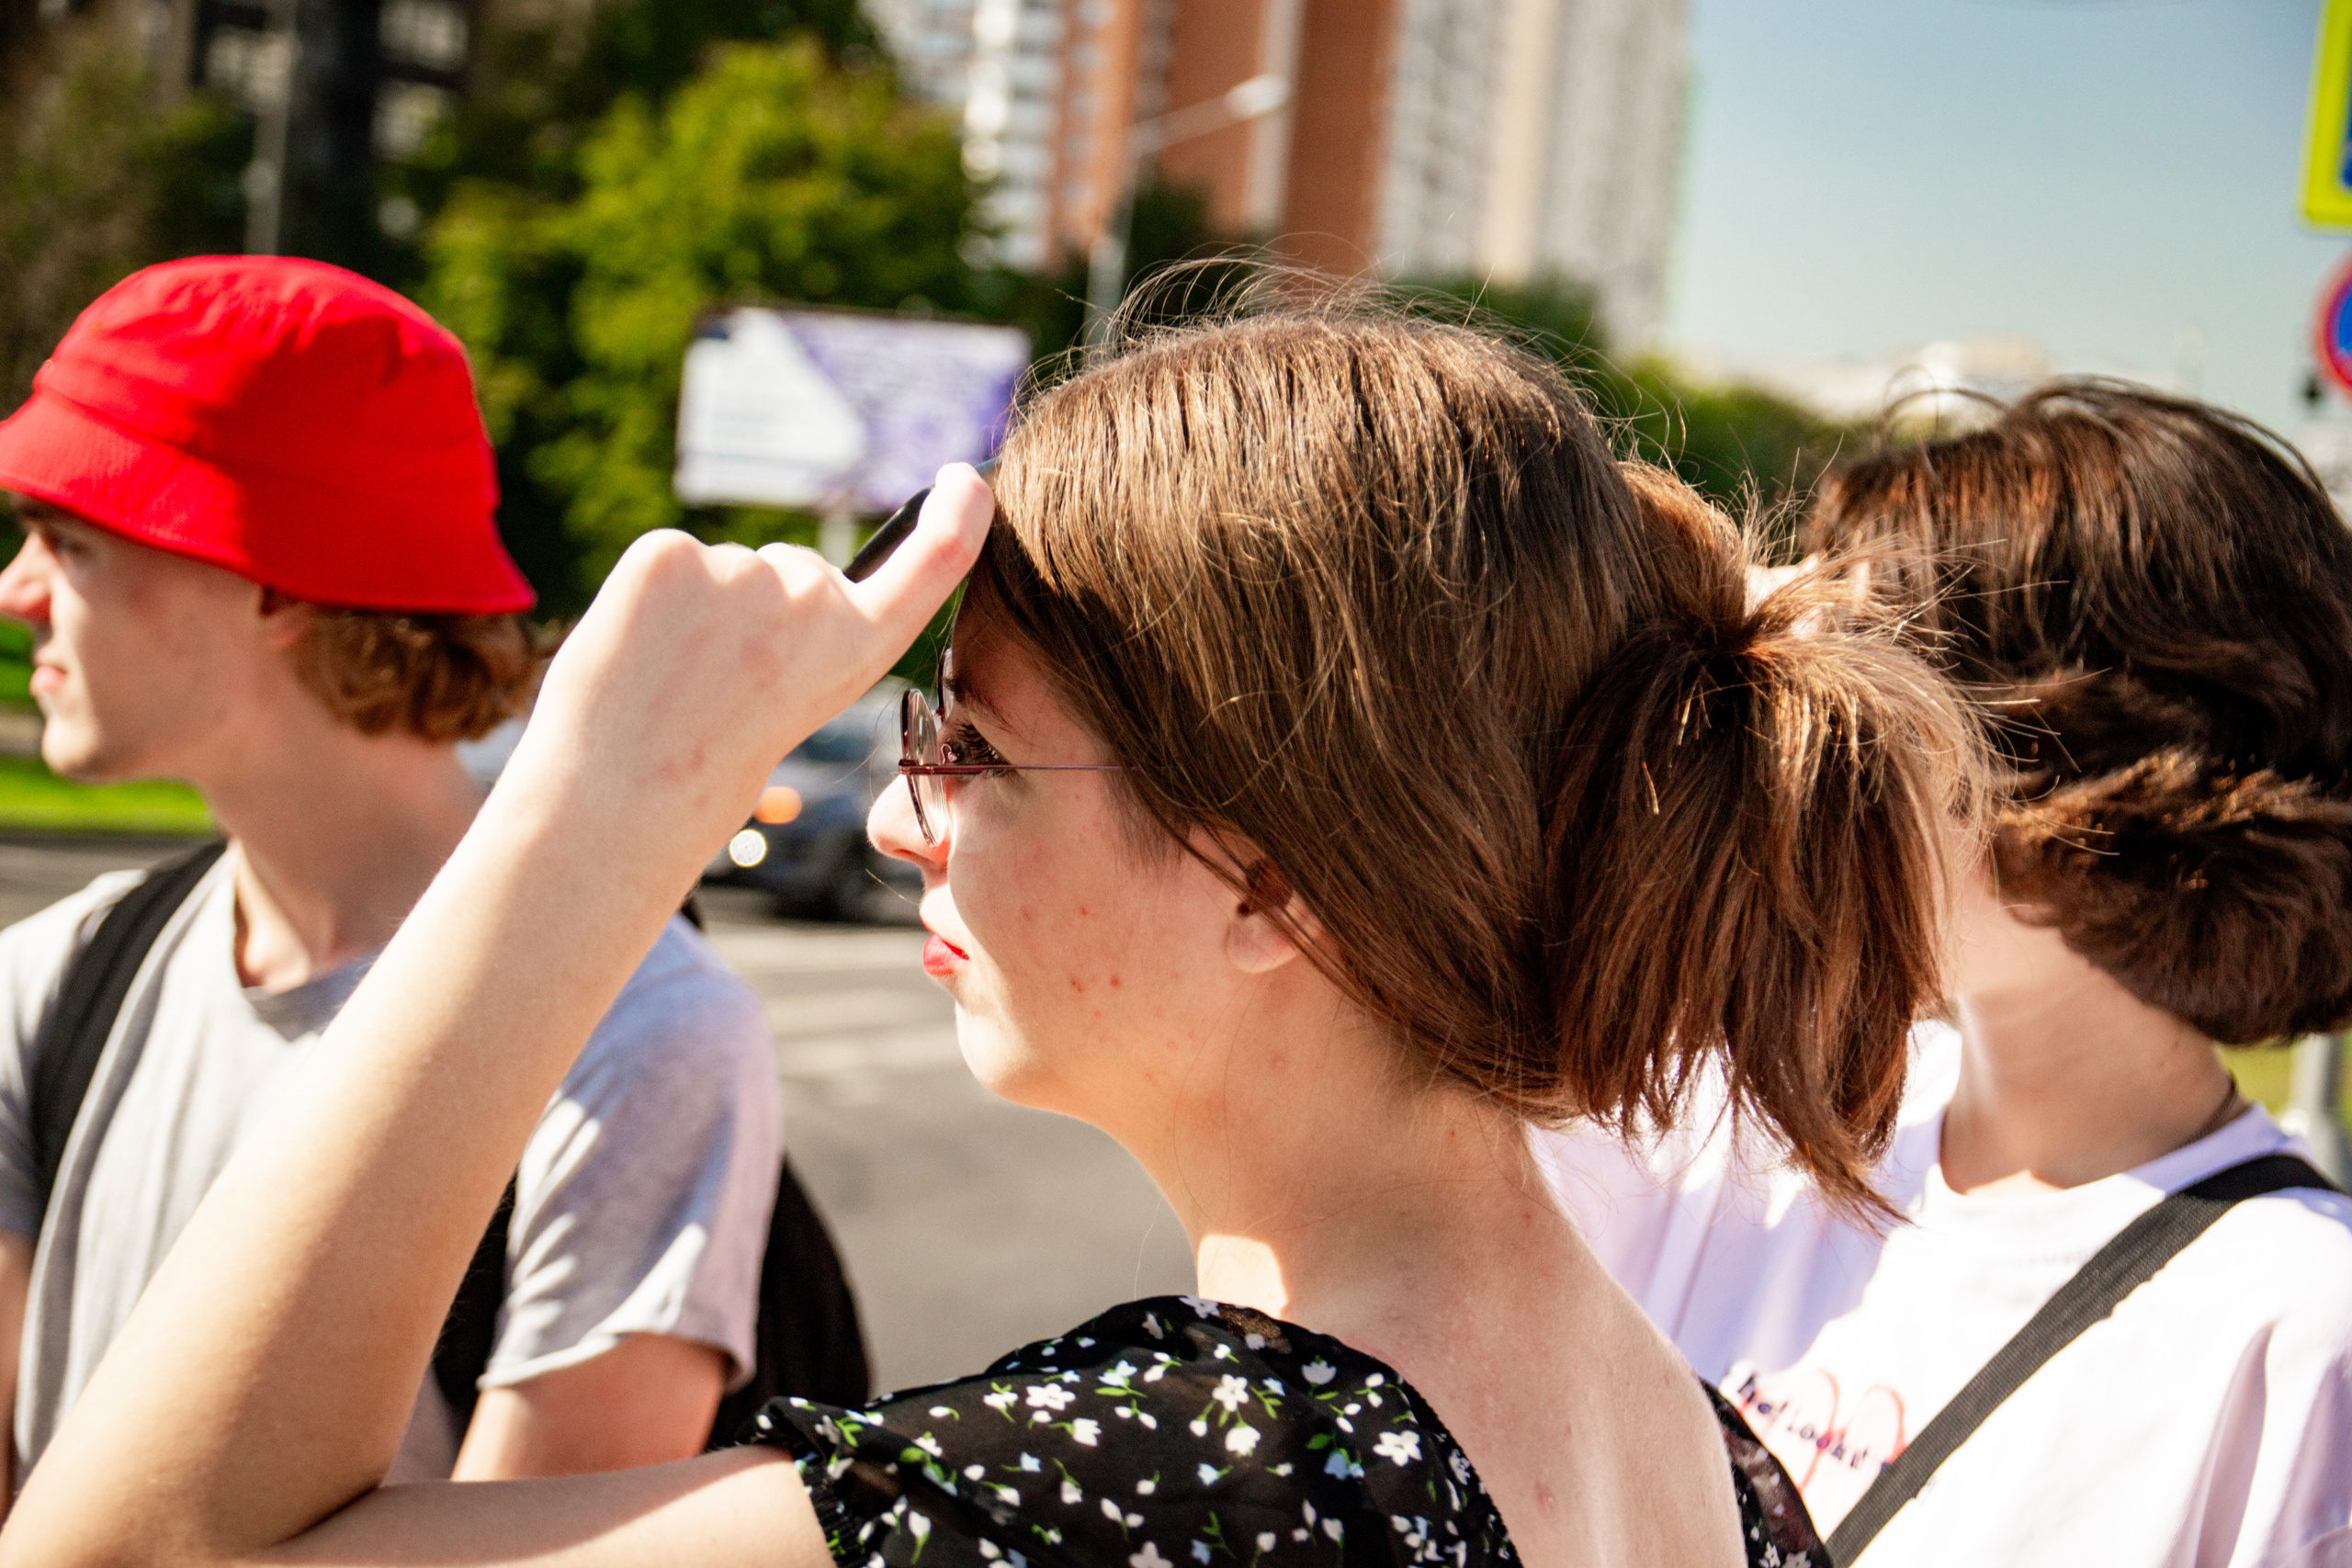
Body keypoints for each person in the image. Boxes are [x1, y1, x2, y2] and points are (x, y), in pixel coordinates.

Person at [0, 305, 1978, 1568]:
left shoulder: (1190, 1483)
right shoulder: (1718, 1473)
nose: (903, 805)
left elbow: (155, 1549)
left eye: (971, 742)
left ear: (1266, 870)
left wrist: (594, 817)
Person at [0, 256, 784, 1494]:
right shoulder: (48, 986)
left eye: (68, 539)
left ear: (268, 579)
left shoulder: (639, 1037)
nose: (16, 593)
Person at [1540, 381, 2352, 1565]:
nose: (1799, 759)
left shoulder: (2298, 1339)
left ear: (2082, 773)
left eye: (1872, 698)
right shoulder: (1719, 1125)